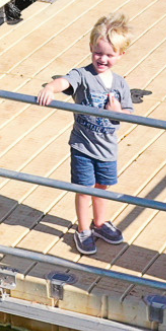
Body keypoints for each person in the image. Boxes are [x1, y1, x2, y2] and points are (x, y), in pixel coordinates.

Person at [36, 13, 135, 256]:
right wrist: (50, 87)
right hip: (83, 146)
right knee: (84, 189)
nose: (102, 59)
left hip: (108, 148)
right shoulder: (83, 75)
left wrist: (117, 111)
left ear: (121, 55)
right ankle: (83, 229)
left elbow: (129, 114)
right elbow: (65, 81)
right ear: (91, 48)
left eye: (109, 55)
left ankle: (100, 224)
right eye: (98, 53)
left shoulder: (120, 84)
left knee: (102, 188)